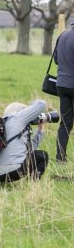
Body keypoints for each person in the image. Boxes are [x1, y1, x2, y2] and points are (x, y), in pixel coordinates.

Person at [0, 100, 49, 185]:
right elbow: (42, 104)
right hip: (14, 171)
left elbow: (30, 150)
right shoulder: (18, 118)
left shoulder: (0, 125)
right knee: (42, 155)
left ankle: (0, 182)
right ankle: (33, 183)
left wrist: (40, 129)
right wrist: (31, 107)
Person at [54, 21, 74, 163]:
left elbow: (56, 59)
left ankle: (60, 157)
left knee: (65, 123)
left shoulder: (63, 35)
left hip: (62, 84)